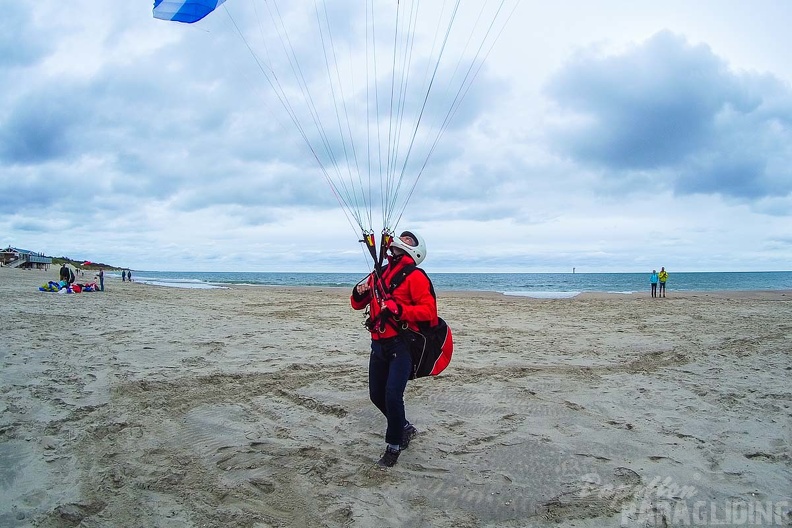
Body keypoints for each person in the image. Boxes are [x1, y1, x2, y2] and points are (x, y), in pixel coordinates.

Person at [351, 231, 437, 468]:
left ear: (416, 249)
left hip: (402, 345)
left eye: (409, 239)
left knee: (392, 394)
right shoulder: (381, 272)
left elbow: (429, 313)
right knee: (376, 395)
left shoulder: (416, 276)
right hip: (378, 345)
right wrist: (359, 292)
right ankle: (405, 427)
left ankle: (394, 445)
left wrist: (399, 309)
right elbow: (358, 304)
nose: (402, 239)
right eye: (402, 237)